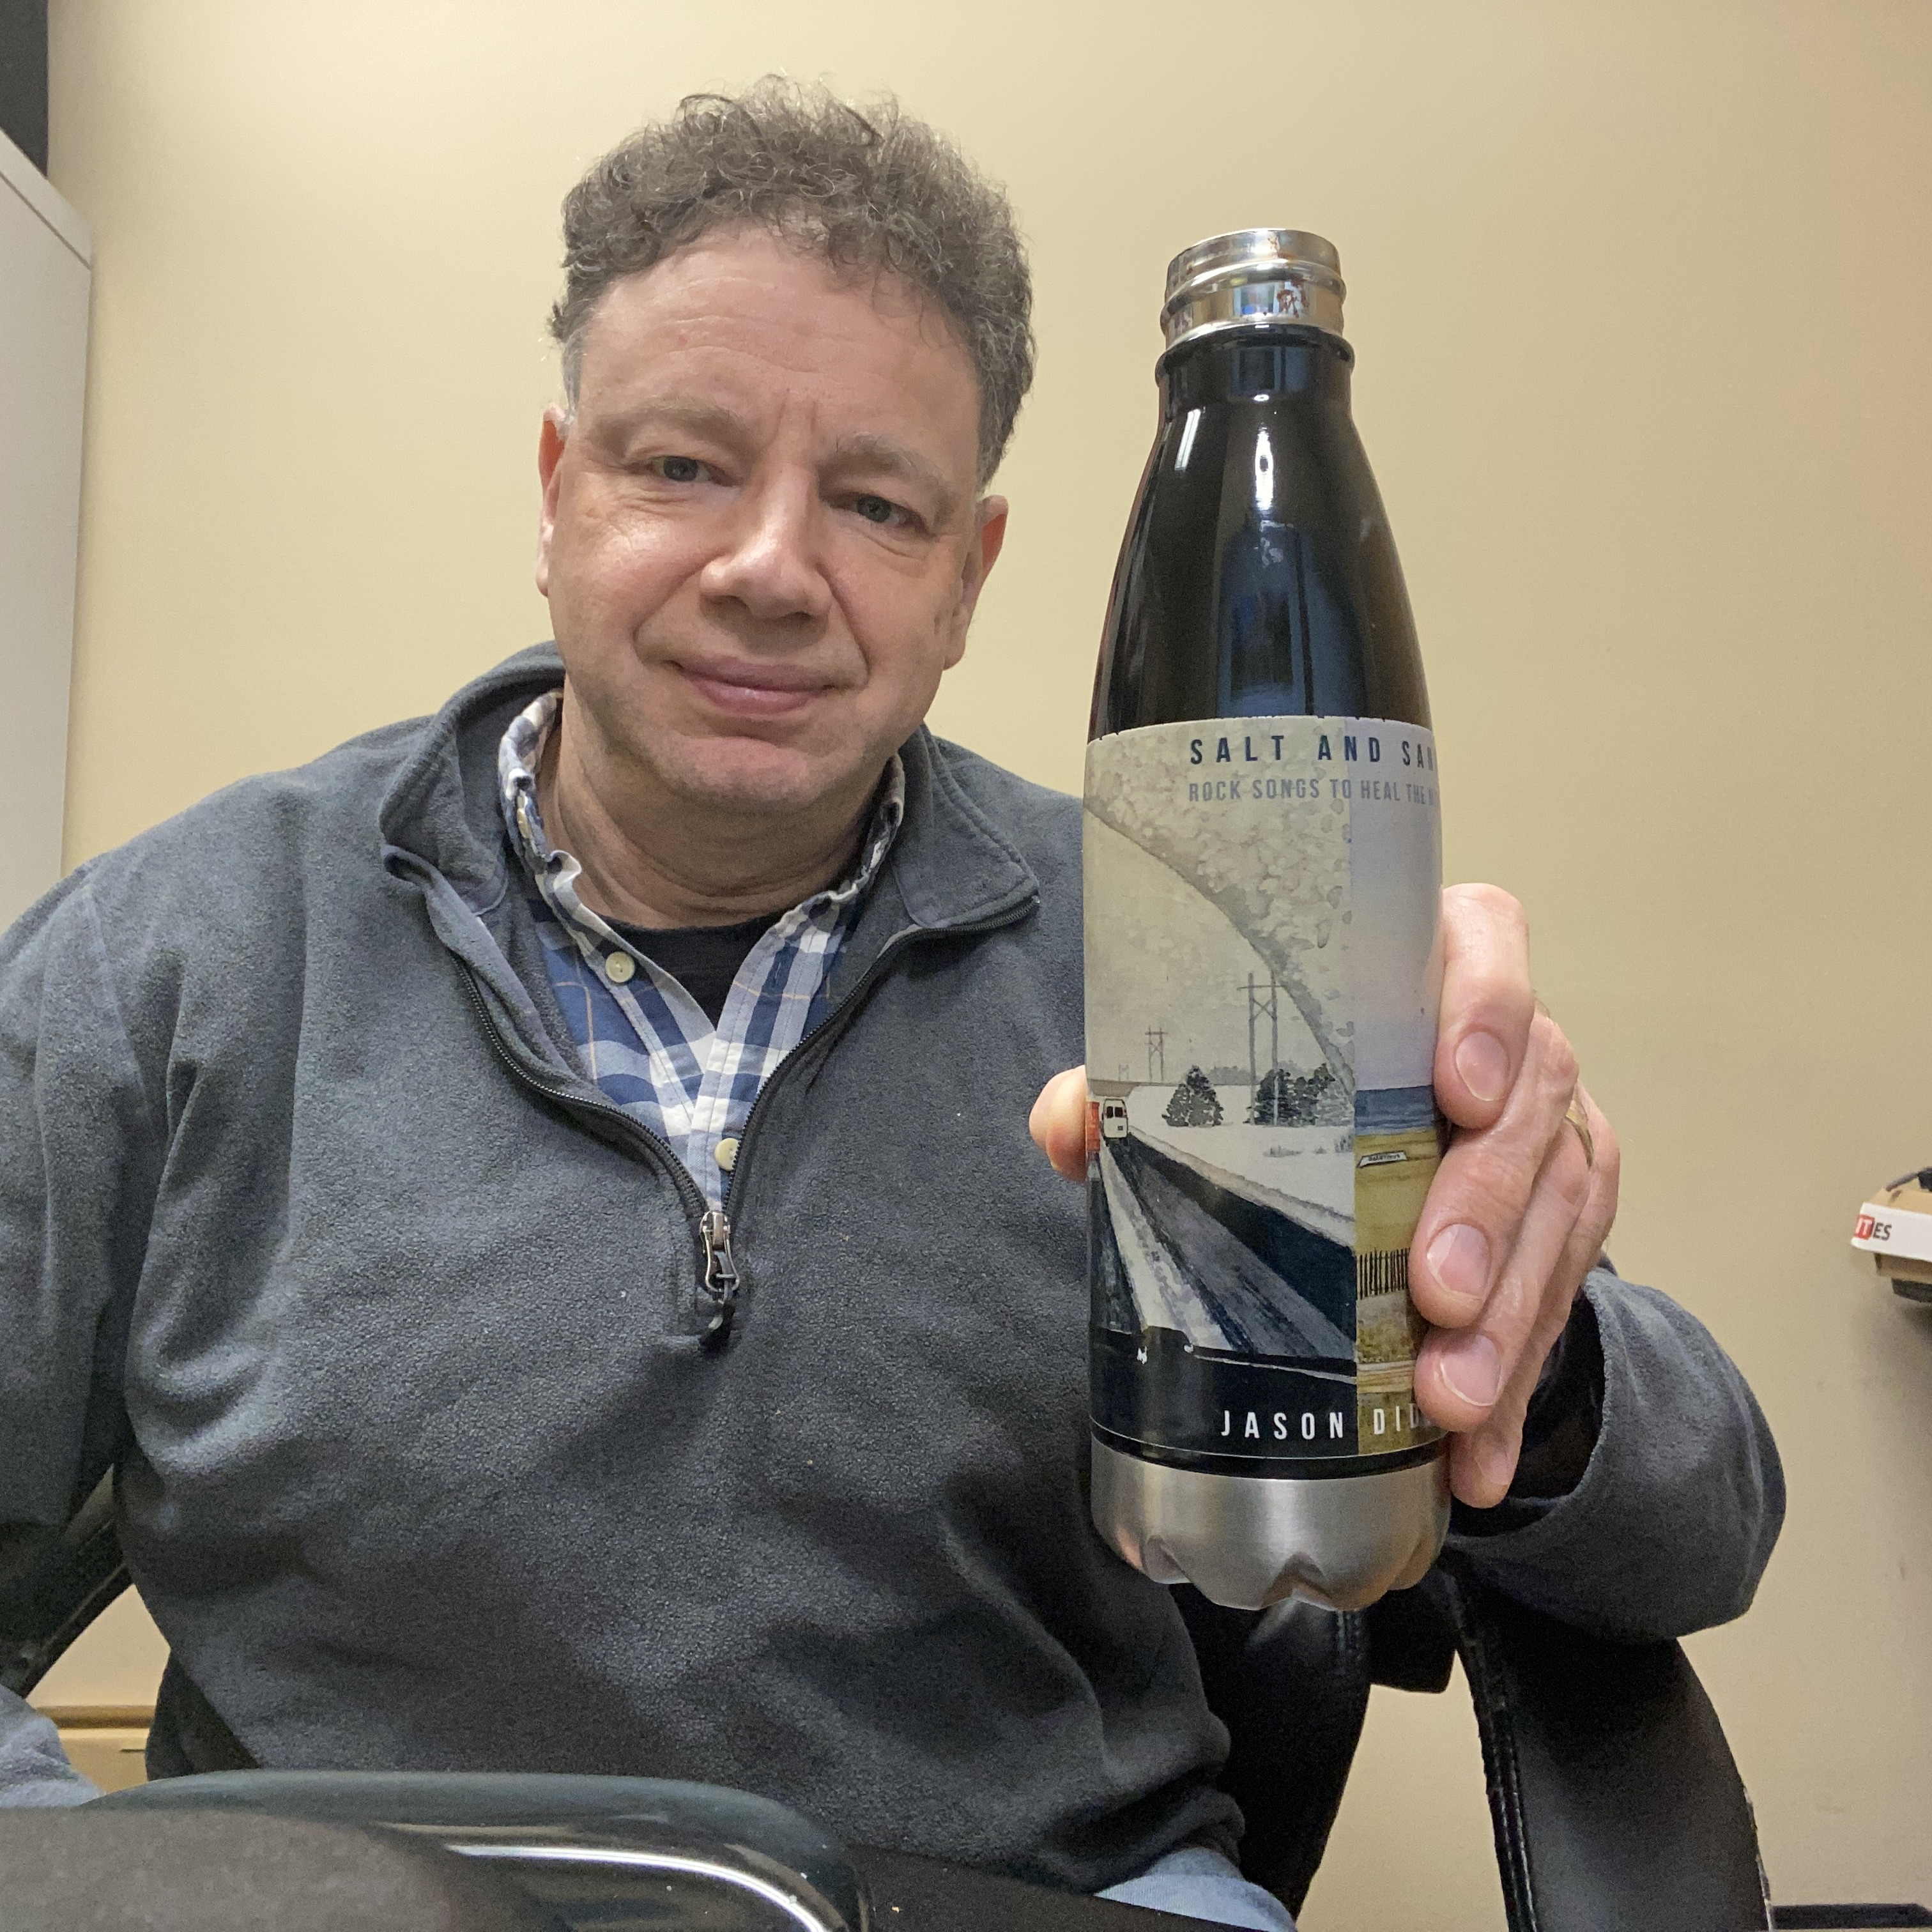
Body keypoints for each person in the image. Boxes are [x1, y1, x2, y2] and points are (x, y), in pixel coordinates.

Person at [0, 81, 1781, 1930]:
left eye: (874, 501)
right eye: (682, 466)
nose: (772, 569)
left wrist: (1525, 1339)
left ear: (967, 579)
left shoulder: (1189, 946)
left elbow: (1711, 1517)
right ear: (555, 493)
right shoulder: (178, 961)